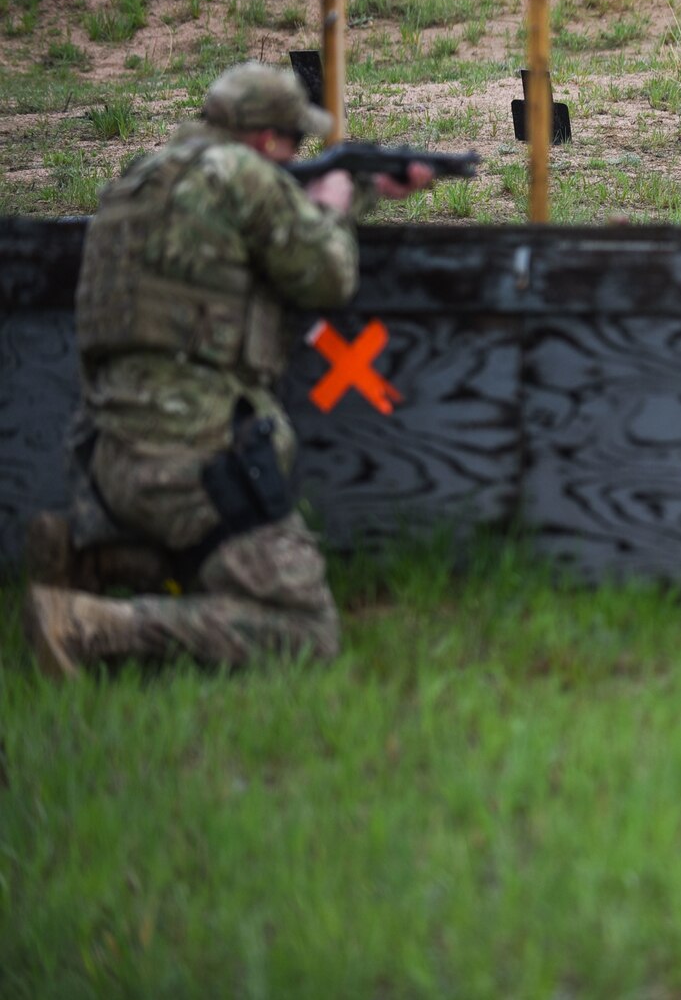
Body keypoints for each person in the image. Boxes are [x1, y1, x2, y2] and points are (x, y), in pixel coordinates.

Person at [21, 62, 433, 677]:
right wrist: (338, 205)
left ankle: (93, 563)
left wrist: (361, 191)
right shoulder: (245, 176)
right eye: (293, 141)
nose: (297, 152)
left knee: (209, 562)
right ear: (268, 141)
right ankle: (90, 627)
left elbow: (227, 248)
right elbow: (327, 276)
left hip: (103, 454)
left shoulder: (141, 177)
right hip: (194, 460)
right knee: (304, 630)